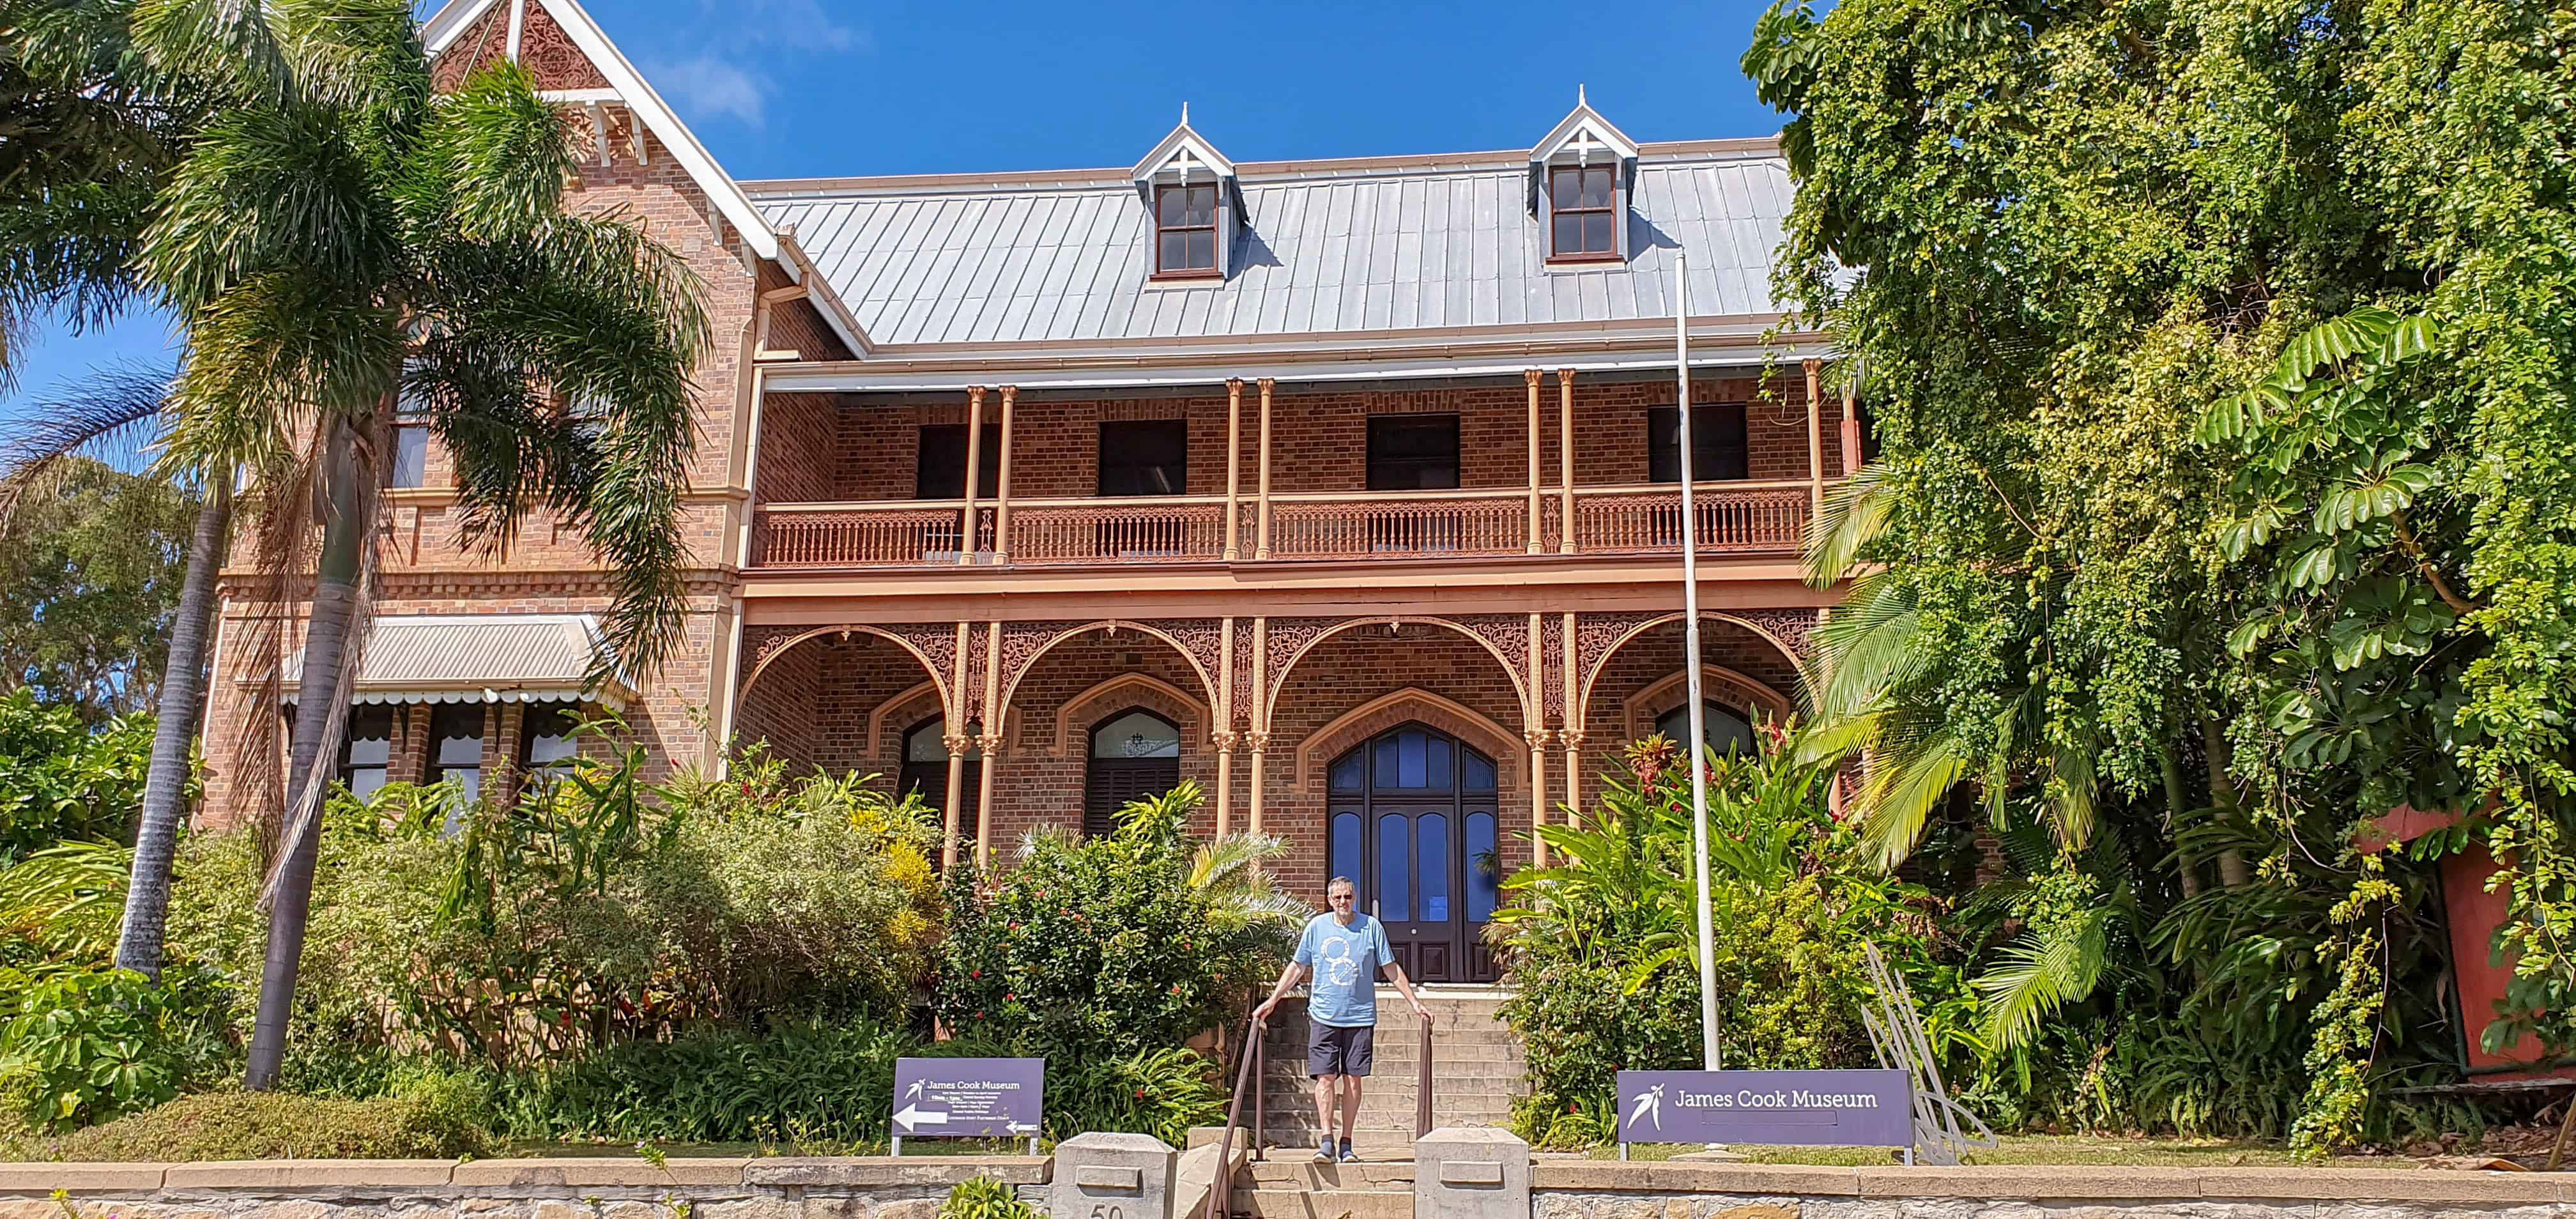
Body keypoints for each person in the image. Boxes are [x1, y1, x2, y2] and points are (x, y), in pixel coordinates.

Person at [1252, 875, 1432, 1163]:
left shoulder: (1371, 927)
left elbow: (1391, 969)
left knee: (1353, 1081)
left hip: (1360, 1017)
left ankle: (1346, 1143)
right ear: (1329, 900)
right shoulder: (1316, 928)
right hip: (1324, 1016)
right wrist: (1273, 1000)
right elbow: (1298, 967)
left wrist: (1414, 1003)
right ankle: (1326, 1142)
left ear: (1354, 898)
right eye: (1337, 898)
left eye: (1347, 897)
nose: (1342, 902)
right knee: (1325, 1079)